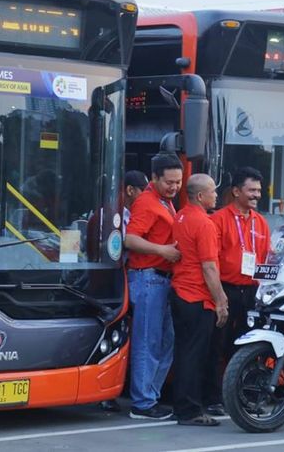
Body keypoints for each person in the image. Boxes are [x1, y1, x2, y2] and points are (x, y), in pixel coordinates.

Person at [124, 153, 183, 420]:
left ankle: (150, 397)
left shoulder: (164, 201)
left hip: (160, 279)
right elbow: (130, 240)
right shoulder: (147, 203)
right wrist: (163, 250)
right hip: (149, 278)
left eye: (179, 182)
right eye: (169, 182)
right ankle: (143, 403)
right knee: (149, 342)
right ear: (155, 178)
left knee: (165, 341)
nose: (174, 187)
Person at [208, 166, 271, 415]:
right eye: (251, 190)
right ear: (236, 191)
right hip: (225, 291)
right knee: (216, 346)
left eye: (259, 190)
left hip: (252, 294)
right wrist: (218, 296)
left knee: (248, 347)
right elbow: (210, 260)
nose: (256, 195)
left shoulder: (261, 222)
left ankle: (245, 397)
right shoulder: (219, 219)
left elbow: (266, 258)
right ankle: (213, 398)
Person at [171, 174, 229, 426]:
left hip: (180, 292)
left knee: (185, 352)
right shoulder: (204, 224)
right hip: (197, 296)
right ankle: (190, 410)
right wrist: (221, 300)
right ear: (200, 196)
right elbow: (209, 268)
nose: (216, 195)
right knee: (195, 355)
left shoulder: (180, 216)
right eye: (213, 192)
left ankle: (183, 406)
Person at [99, 170, 149, 413]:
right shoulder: (110, 215)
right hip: (111, 280)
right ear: (130, 190)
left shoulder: (133, 214)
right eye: (143, 192)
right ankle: (106, 391)